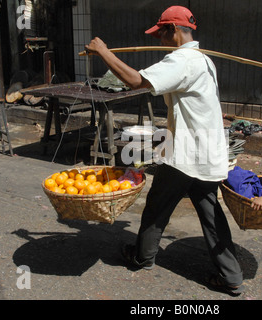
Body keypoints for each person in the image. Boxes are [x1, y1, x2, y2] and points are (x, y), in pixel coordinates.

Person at [85, 6, 245, 295]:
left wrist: (103, 51)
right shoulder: (203, 60)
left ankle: (142, 256)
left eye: (160, 31)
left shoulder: (182, 61)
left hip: (186, 155)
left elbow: (136, 81)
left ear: (173, 29)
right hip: (207, 152)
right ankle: (231, 275)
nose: (158, 37)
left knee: (157, 206)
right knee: (211, 213)